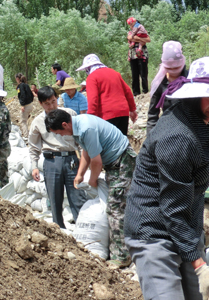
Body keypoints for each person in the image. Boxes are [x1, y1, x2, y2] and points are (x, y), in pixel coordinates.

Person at [124, 57, 209, 300]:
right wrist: (200, 265)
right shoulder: (179, 137)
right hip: (153, 231)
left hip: (187, 225)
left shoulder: (203, 119)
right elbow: (172, 209)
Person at [45, 109, 136, 267]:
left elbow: (96, 162)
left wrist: (93, 180)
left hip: (122, 161)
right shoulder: (77, 127)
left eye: (59, 133)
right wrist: (80, 174)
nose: (60, 136)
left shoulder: (86, 128)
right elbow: (86, 151)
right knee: (115, 203)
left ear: (65, 125)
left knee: (115, 206)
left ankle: (122, 256)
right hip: (112, 163)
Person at [28, 86, 87, 229]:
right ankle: (59, 231)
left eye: (53, 101)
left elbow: (80, 139)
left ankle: (83, 230)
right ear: (41, 104)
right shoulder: (38, 121)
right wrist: (34, 166)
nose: (51, 106)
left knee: (77, 196)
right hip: (52, 161)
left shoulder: (69, 114)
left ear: (58, 99)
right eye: (47, 104)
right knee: (55, 199)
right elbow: (33, 146)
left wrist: (84, 162)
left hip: (72, 159)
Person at [76, 54, 137, 135]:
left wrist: (90, 119)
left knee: (109, 145)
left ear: (88, 68)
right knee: (122, 142)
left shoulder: (92, 78)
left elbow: (93, 100)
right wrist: (132, 110)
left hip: (106, 115)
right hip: (123, 112)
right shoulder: (115, 73)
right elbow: (128, 91)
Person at [147, 40, 187, 134]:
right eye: (169, 68)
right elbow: (152, 115)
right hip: (168, 129)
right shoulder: (159, 83)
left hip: (190, 129)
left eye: (176, 68)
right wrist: (151, 139)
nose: (173, 71)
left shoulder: (190, 80)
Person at [127, 17, 151, 96]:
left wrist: (136, 39)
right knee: (135, 74)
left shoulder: (143, 31)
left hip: (143, 54)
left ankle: (145, 92)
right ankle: (136, 93)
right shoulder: (130, 32)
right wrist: (141, 39)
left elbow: (148, 39)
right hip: (133, 55)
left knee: (143, 74)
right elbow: (130, 38)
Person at [15, 73, 34, 137]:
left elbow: (22, 95)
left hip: (26, 105)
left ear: (17, 78)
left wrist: (22, 105)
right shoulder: (26, 85)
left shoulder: (21, 86)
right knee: (26, 120)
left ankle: (26, 136)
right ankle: (30, 133)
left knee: (23, 121)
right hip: (30, 104)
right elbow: (31, 95)